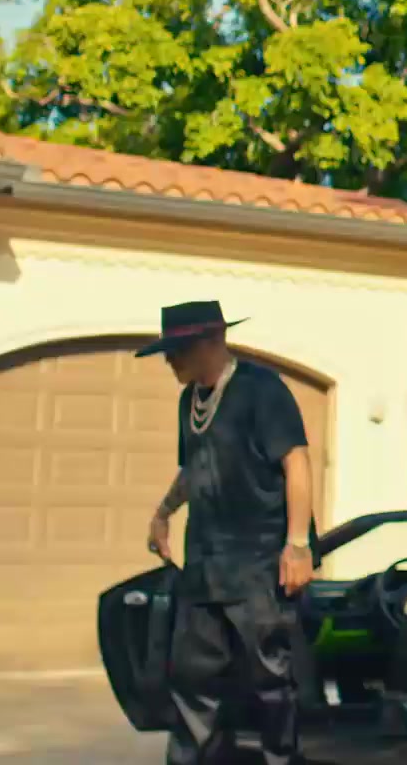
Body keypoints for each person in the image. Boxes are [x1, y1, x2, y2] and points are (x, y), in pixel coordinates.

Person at [141, 301, 316, 765]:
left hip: (259, 565)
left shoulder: (262, 390)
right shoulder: (189, 402)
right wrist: (163, 512)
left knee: (270, 682)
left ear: (212, 341)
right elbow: (194, 467)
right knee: (192, 683)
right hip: (205, 566)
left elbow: (296, 461)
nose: (170, 360)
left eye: (178, 349)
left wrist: (298, 545)